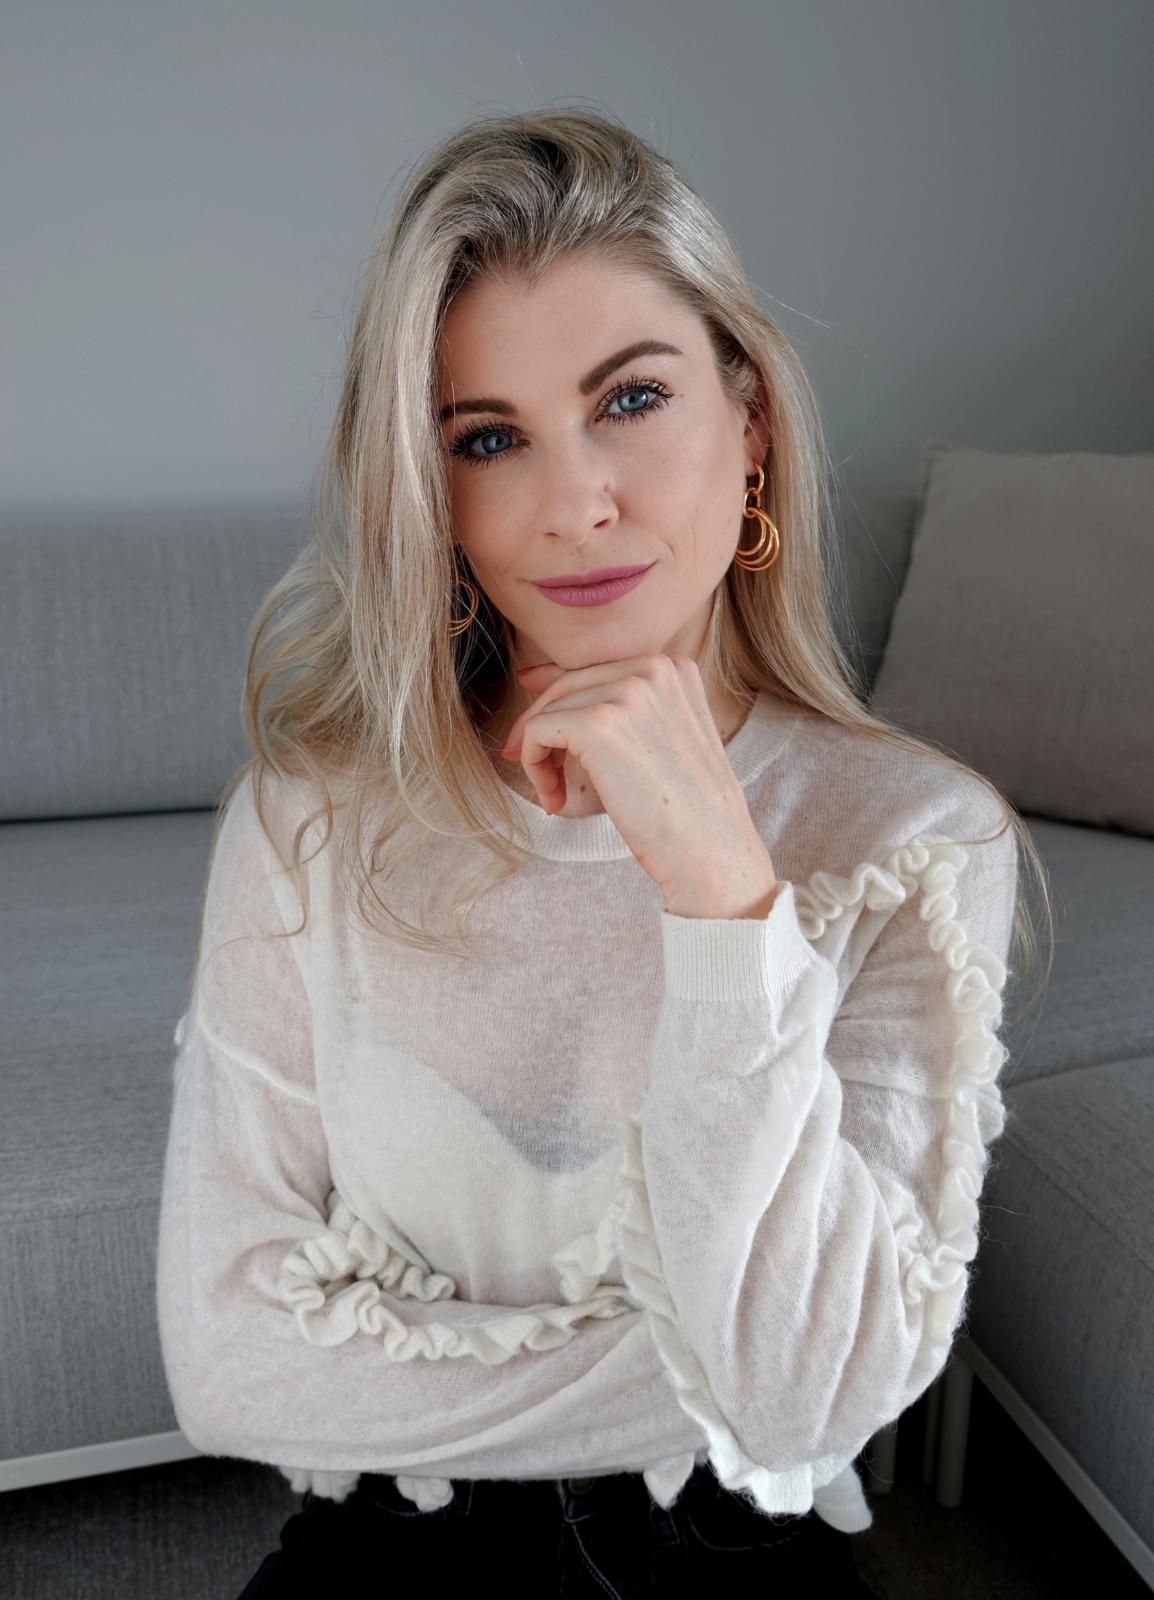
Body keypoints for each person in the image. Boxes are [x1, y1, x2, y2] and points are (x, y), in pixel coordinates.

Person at [154, 106, 1052, 1599]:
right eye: (489, 438)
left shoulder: (910, 837)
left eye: (630, 399)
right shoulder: (306, 817)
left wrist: (723, 896)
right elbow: (229, 1365)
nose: (575, 504)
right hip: (384, 1557)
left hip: (736, 1560)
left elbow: (805, 1403)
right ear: (432, 495)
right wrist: (711, 1362)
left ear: (749, 419)